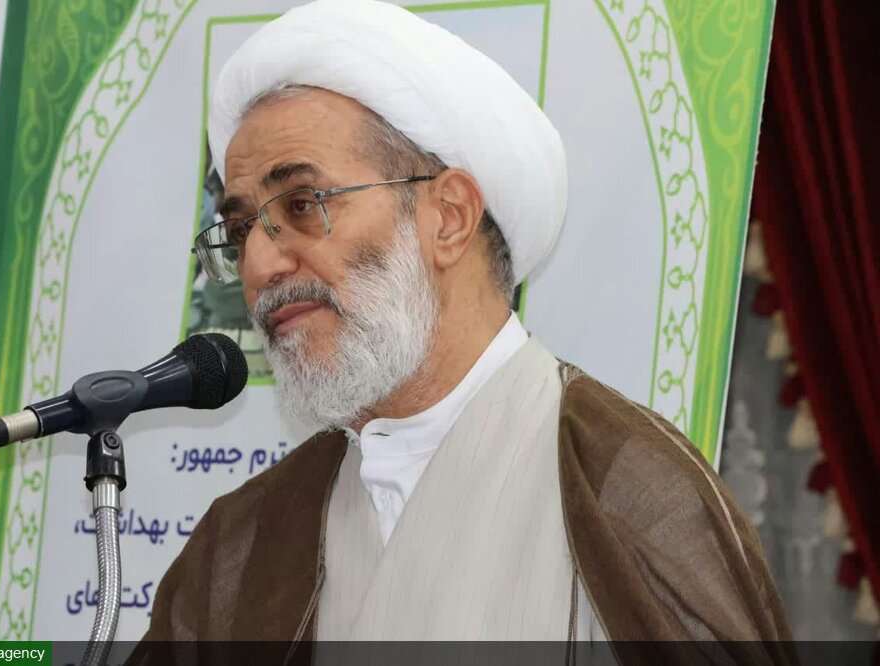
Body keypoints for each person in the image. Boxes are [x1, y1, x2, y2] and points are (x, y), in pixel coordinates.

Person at [135, 0, 793, 661]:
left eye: (303, 204)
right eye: (241, 228)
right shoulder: (245, 539)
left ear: (448, 218)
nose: (258, 265)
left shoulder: (626, 492)